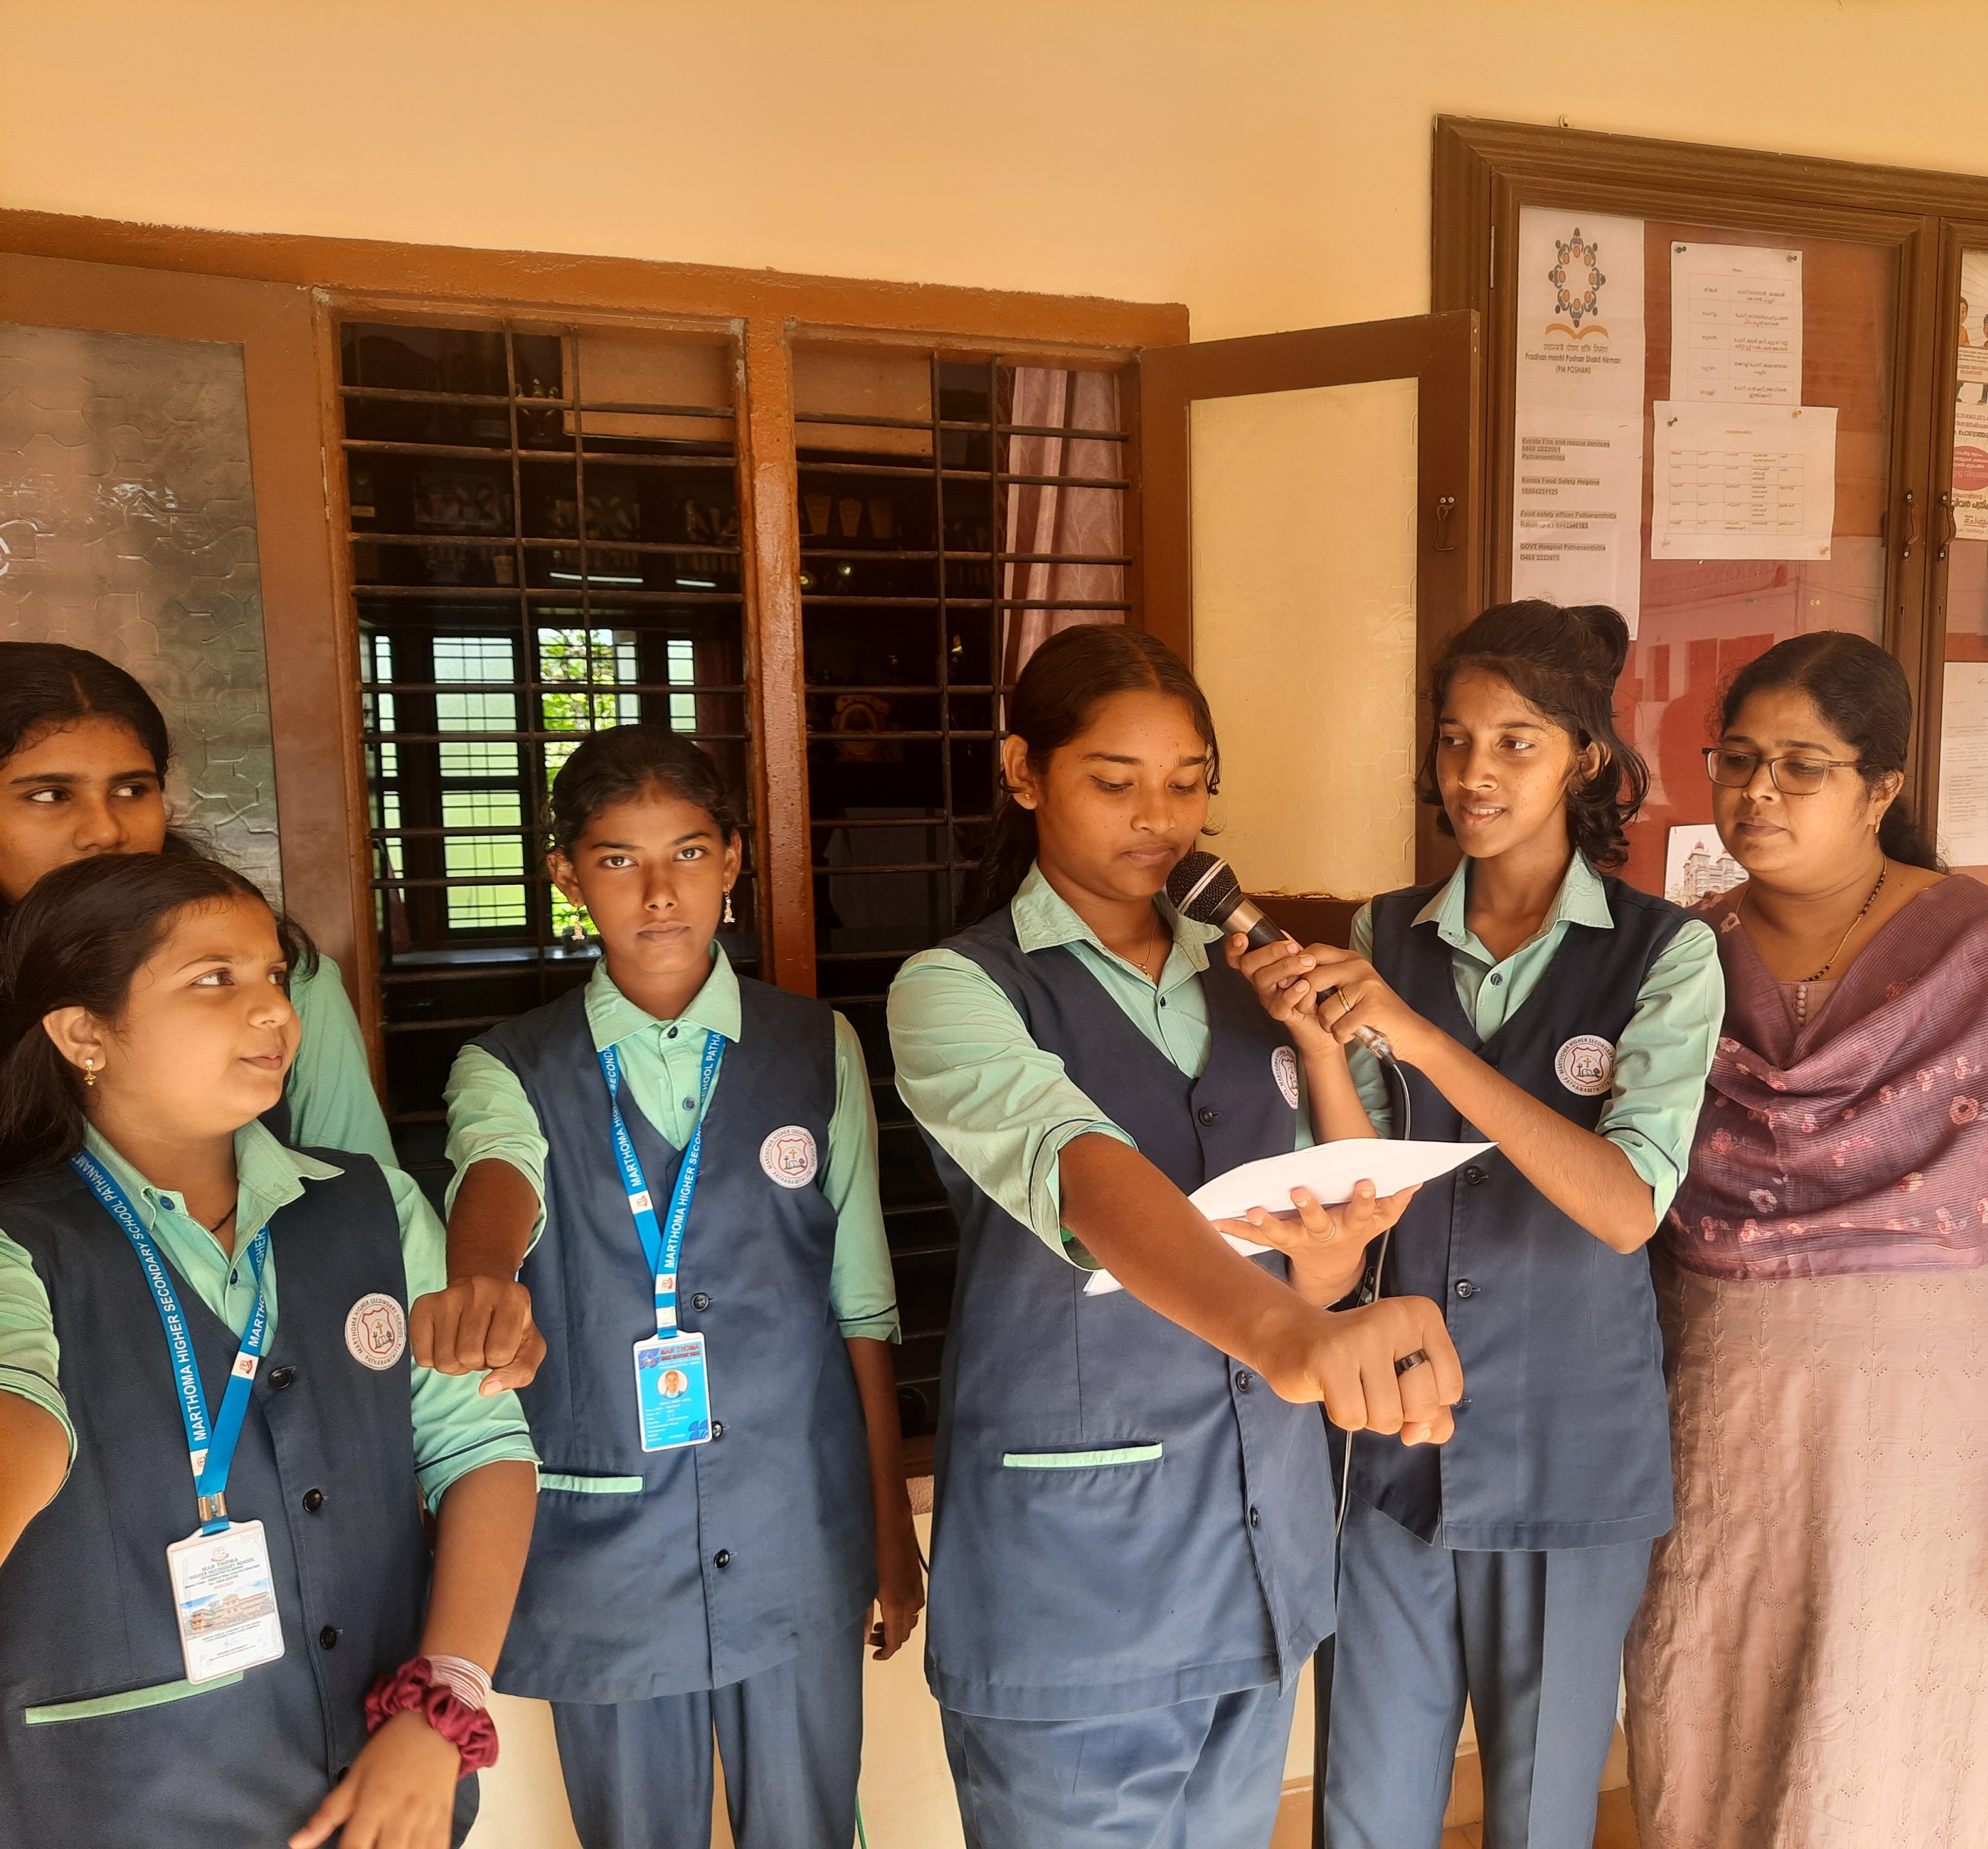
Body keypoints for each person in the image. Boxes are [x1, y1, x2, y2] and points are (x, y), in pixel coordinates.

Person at [887, 622, 1460, 1847]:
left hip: (1258, 1558)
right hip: (1077, 1587)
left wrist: (1314, 1046)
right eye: (1116, 781)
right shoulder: (958, 988)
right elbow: (1087, 1173)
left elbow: (1325, 1257)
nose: (1161, 818)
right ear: (1023, 771)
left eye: (1190, 782)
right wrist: (1290, 1339)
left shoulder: (1243, 972)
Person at [1623, 631, 1988, 1849]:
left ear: (1881, 787)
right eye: (1736, 760)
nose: (1756, 791)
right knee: (1708, 1735)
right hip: (1725, 1444)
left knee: (1903, 1754)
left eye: (1801, 765)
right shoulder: (1676, 961)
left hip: (1948, 1457)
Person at [1232, 599, 1723, 1849]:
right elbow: (1357, 1170)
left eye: (1515, 741)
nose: (1474, 771)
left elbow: (1624, 1206)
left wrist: (1419, 1037)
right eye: (1455, 738)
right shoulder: (1385, 931)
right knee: (1365, 1808)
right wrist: (1318, 1040)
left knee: (1541, 1815)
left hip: (1571, 1454)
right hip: (1392, 1442)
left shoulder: (1666, 954)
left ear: (1585, 759)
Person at [432, 726, 917, 1849]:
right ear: (565, 874)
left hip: (797, 1533)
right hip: (610, 1552)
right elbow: (498, 1167)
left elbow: (861, 1305)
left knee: (808, 1825)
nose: (659, 892)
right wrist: (482, 1273)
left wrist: (889, 1527)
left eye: (689, 853)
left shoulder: (815, 1047)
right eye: (618, 860)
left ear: (732, 857)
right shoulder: (509, 1065)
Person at [0, 852, 537, 1848]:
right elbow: (17, 1412)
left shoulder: (372, 1206)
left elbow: (482, 1449)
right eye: (215, 978)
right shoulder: (19, 1244)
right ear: (83, 1033)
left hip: (386, 1793)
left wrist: (444, 1704)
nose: (275, 1013)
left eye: (274, 976)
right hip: (119, 1803)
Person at [0, 643, 400, 1166]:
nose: (106, 830)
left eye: (132, 790)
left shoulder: (286, 983)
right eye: (51, 795)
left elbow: (368, 1198)